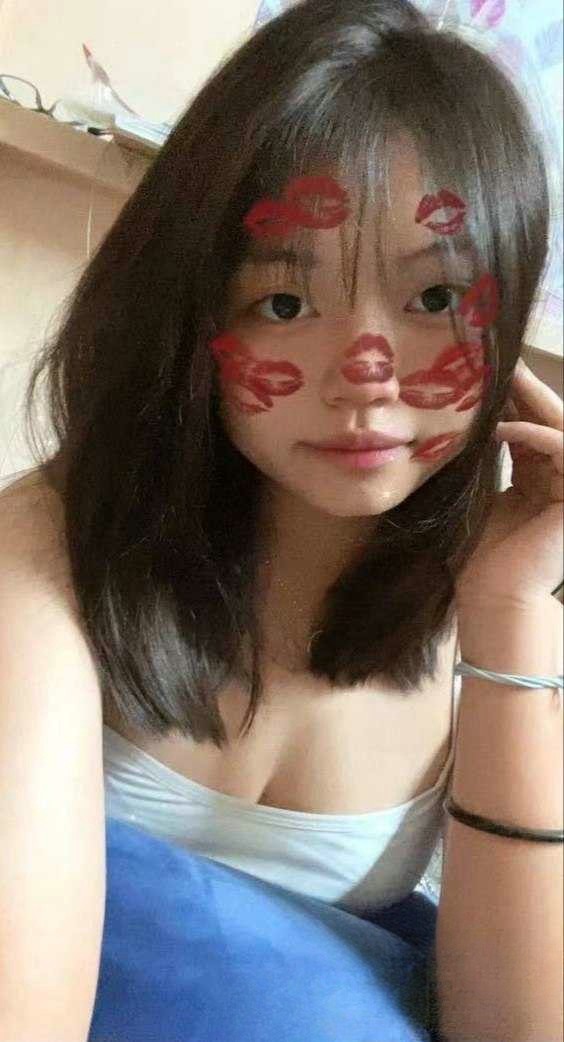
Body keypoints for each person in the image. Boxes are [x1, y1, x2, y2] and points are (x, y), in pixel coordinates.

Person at [0, 1, 562, 1039]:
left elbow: (513, 1030)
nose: (366, 376)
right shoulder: (44, 557)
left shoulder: (496, 608)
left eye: (437, 299)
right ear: (194, 314)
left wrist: (513, 610)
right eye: (288, 305)